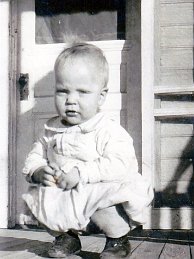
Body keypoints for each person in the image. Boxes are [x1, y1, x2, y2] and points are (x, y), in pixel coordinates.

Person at [23, 42, 153, 258]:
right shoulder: (51, 129)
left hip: (97, 192)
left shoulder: (107, 129)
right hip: (66, 196)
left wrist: (82, 173)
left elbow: (121, 163)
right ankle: (67, 238)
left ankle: (117, 240)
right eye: (63, 91)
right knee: (38, 199)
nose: (71, 101)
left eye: (82, 92)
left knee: (105, 201)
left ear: (101, 96)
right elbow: (35, 155)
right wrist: (38, 170)